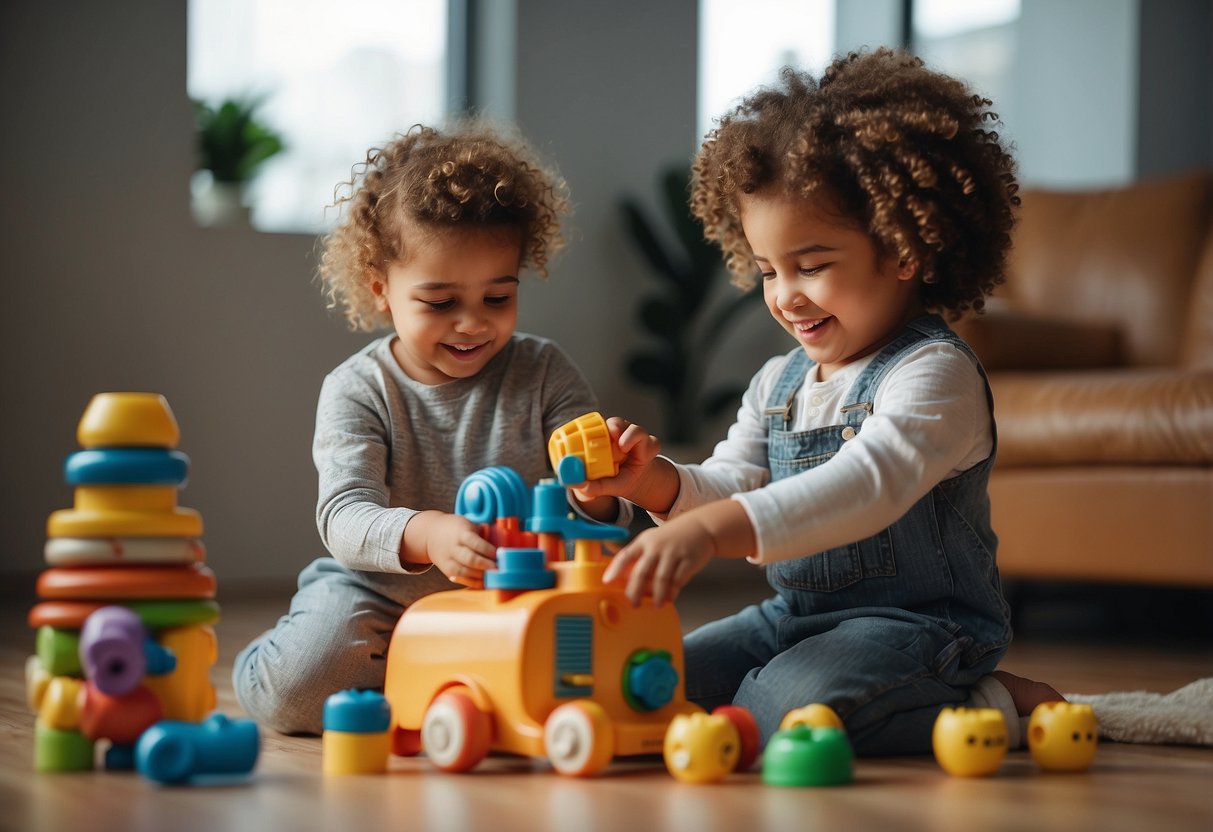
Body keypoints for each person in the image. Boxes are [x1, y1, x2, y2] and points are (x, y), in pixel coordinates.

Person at [574, 49, 1060, 755]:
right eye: (768, 270)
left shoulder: (932, 376)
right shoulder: (779, 383)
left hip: (920, 627)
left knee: (779, 717)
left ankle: (986, 699)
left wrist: (709, 534)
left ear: (903, 249)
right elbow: (729, 481)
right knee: (646, 685)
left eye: (812, 266)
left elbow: (864, 486)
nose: (784, 295)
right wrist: (654, 484)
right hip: (792, 617)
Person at [233, 121, 621, 734]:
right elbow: (344, 515)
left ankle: (435, 680)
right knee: (299, 691)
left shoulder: (545, 372)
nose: (471, 324)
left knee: (609, 668)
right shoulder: (359, 388)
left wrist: (600, 485)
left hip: (517, 594)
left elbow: (596, 508)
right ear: (380, 289)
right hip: (381, 595)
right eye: (440, 303)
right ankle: (280, 661)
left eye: (498, 298)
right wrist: (427, 532)